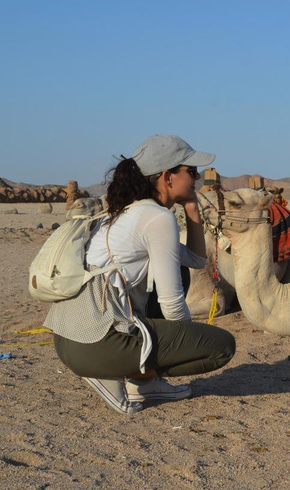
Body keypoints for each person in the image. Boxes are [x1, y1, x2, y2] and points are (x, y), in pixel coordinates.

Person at [43, 134, 236, 414]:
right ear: (168, 177)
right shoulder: (157, 218)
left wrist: (192, 207)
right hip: (95, 344)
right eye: (191, 171)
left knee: (178, 271)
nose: (198, 177)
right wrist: (186, 339)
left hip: (71, 338)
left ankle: (145, 383)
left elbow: (195, 259)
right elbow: (172, 303)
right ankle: (113, 372)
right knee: (221, 345)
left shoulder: (130, 212)